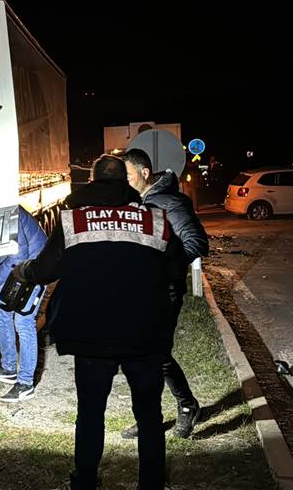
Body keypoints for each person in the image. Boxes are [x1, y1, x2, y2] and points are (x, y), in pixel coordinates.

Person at [14, 154, 171, 490]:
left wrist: (22, 271)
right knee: (148, 416)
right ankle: (152, 484)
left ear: (91, 182)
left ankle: (84, 481)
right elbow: (173, 272)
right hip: (143, 334)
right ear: (125, 184)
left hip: (92, 335)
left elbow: (46, 270)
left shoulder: (73, 220)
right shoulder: (154, 220)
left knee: (90, 413)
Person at [122, 149, 210, 439]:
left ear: (144, 173)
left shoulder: (170, 202)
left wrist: (164, 270)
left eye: (129, 175)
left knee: (156, 354)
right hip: (142, 291)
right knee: (139, 354)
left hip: (165, 291)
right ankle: (149, 416)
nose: (125, 180)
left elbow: (196, 242)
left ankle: (188, 406)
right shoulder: (139, 201)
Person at [0, 206, 48, 402]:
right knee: (0, 311)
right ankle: (8, 368)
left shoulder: (7, 211)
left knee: (23, 321)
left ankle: (25, 384)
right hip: (19, 268)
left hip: (34, 267)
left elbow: (18, 257)